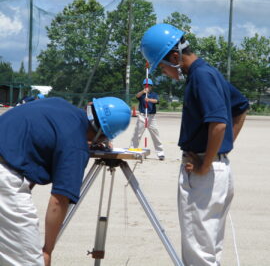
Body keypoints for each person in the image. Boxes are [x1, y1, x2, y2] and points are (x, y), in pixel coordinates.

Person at [141, 23, 249, 266]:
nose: (164, 72)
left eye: (162, 67)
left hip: (205, 172)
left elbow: (219, 124)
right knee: (208, 249)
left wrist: (207, 162)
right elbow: (240, 109)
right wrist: (221, 150)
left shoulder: (200, 76)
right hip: (216, 168)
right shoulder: (209, 72)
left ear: (175, 57)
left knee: (199, 254)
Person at [0, 96, 131, 266]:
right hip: (5, 176)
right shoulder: (75, 146)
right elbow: (59, 200)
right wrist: (47, 251)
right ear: (102, 135)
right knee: (30, 261)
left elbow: (28, 150)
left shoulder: (59, 104)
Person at [130, 78, 165, 160]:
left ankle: (160, 153)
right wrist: (143, 92)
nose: (147, 87)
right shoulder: (142, 94)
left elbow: (156, 101)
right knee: (137, 134)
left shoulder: (154, 94)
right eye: (146, 86)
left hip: (151, 117)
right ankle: (133, 150)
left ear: (151, 86)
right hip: (142, 116)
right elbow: (137, 96)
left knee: (156, 135)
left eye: (149, 86)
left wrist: (148, 100)